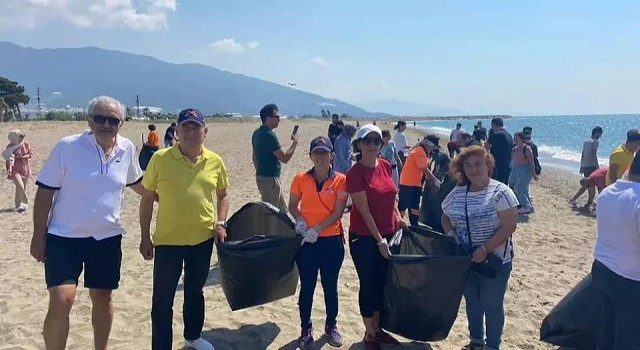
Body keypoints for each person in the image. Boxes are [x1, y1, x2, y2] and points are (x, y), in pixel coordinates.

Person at [29, 96, 145, 350]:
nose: (106, 124)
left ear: (121, 123)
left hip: (107, 237)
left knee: (103, 298)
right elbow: (45, 192)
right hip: (64, 236)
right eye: (99, 118)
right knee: (62, 299)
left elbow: (137, 183)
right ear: (88, 120)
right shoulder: (67, 147)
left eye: (112, 120)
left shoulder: (126, 149)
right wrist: (39, 235)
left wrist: (166, 195)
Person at [139, 108, 229, 350]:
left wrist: (220, 223)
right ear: (176, 131)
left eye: (195, 127)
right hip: (168, 241)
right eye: (185, 127)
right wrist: (145, 236)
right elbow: (147, 199)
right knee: (162, 300)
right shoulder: (160, 159)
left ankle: (193, 337)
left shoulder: (215, 160)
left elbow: (223, 195)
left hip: (202, 239)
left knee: (194, 291)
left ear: (205, 132)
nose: (190, 132)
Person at [441, 145, 519, 350]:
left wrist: (485, 248)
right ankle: (476, 341)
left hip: (494, 260)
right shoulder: (458, 192)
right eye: (468, 165)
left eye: (477, 164)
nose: (473, 169)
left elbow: (509, 226)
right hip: (466, 260)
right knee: (473, 302)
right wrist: (451, 235)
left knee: (492, 304)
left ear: (488, 164)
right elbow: (445, 217)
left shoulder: (501, 192)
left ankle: (493, 346)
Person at [347, 124, 407, 350]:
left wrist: (397, 217)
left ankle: (378, 329)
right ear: (359, 144)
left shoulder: (383, 164)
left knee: (383, 283)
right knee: (369, 284)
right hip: (364, 238)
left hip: (389, 233)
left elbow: (391, 195)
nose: (372, 145)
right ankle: (370, 334)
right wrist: (379, 240)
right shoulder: (355, 173)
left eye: (376, 141)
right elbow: (364, 211)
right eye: (367, 141)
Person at [288, 136, 348, 349]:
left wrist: (318, 229)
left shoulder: (341, 180)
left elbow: (338, 212)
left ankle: (331, 326)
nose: (321, 156)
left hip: (331, 241)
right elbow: (293, 205)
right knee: (307, 287)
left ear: (332, 155)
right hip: (307, 244)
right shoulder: (300, 178)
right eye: (317, 152)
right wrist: (301, 221)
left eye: (325, 152)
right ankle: (306, 328)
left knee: (331, 287)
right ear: (311, 155)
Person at [591, 152, 640, 349]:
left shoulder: (608, 192)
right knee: (628, 339)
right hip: (630, 281)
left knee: (606, 331)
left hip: (602, 269)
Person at [252, 103, 299, 212]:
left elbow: (254, 157)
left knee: (283, 212)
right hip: (270, 179)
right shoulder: (269, 135)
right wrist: (295, 142)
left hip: (264, 178)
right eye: (277, 117)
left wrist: (260, 172)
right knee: (270, 214)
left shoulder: (257, 133)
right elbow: (285, 158)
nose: (279, 119)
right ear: (268, 119)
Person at [398, 137, 442, 226]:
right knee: (403, 205)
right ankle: (397, 223)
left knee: (414, 206)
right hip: (408, 183)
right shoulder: (419, 151)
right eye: (433, 147)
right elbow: (424, 168)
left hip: (415, 183)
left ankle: (414, 224)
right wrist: (435, 180)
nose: (433, 149)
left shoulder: (423, 152)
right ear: (427, 143)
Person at [508, 132, 539, 214]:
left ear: (522, 140)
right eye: (514, 138)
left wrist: (534, 174)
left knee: (519, 188)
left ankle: (525, 206)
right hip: (517, 169)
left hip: (527, 169)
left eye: (517, 139)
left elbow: (532, 163)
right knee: (517, 187)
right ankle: (529, 206)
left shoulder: (527, 149)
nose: (515, 140)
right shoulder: (514, 149)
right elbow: (513, 161)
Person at [3, 129, 32, 212]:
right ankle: (24, 202)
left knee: (21, 188)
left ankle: (18, 204)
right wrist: (9, 168)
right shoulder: (10, 147)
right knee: (20, 186)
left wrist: (22, 157)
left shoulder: (26, 145)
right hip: (14, 169)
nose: (22, 138)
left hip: (25, 168)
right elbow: (8, 158)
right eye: (20, 137)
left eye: (23, 136)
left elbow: (30, 154)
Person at [485, 117, 513, 185]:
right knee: (504, 185)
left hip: (497, 165)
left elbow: (485, 149)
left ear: (493, 125)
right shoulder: (509, 135)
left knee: (495, 185)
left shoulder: (495, 135)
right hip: (507, 164)